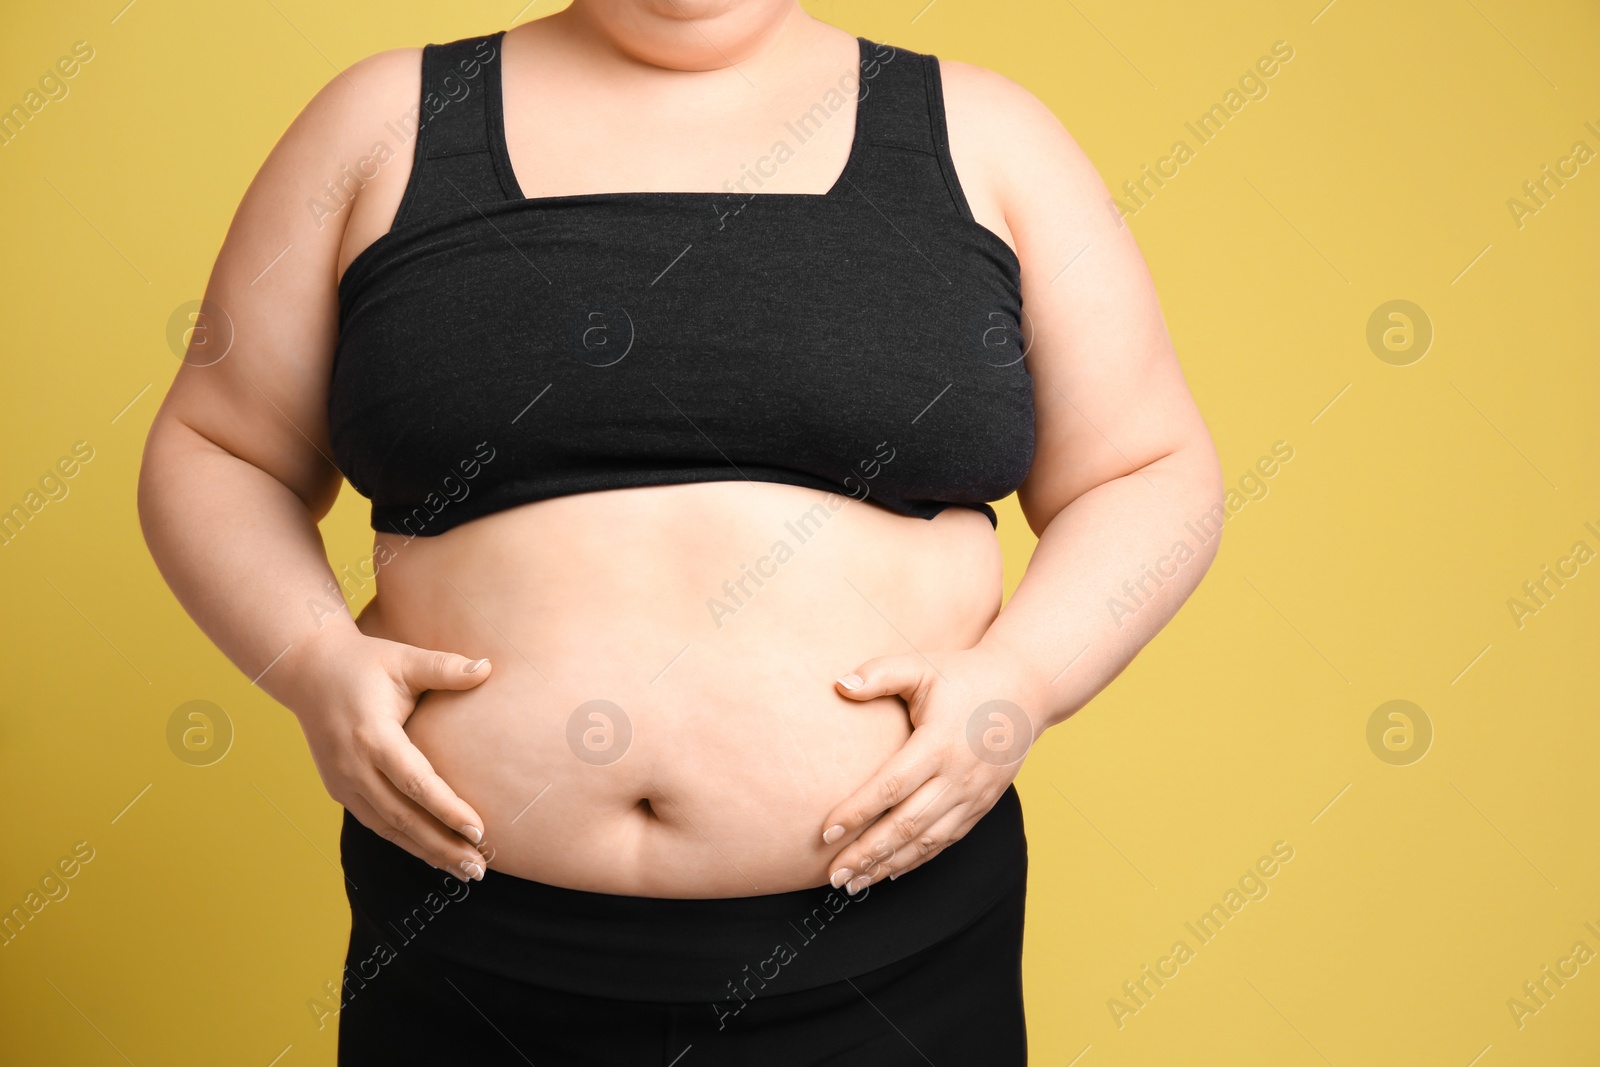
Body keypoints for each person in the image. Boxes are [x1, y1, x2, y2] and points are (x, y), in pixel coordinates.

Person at [138, 1, 1223, 1062]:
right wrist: (312, 659)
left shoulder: (991, 138)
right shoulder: (378, 125)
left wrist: (1024, 678)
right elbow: (218, 449)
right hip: (464, 951)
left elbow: (1146, 470)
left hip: (896, 957)